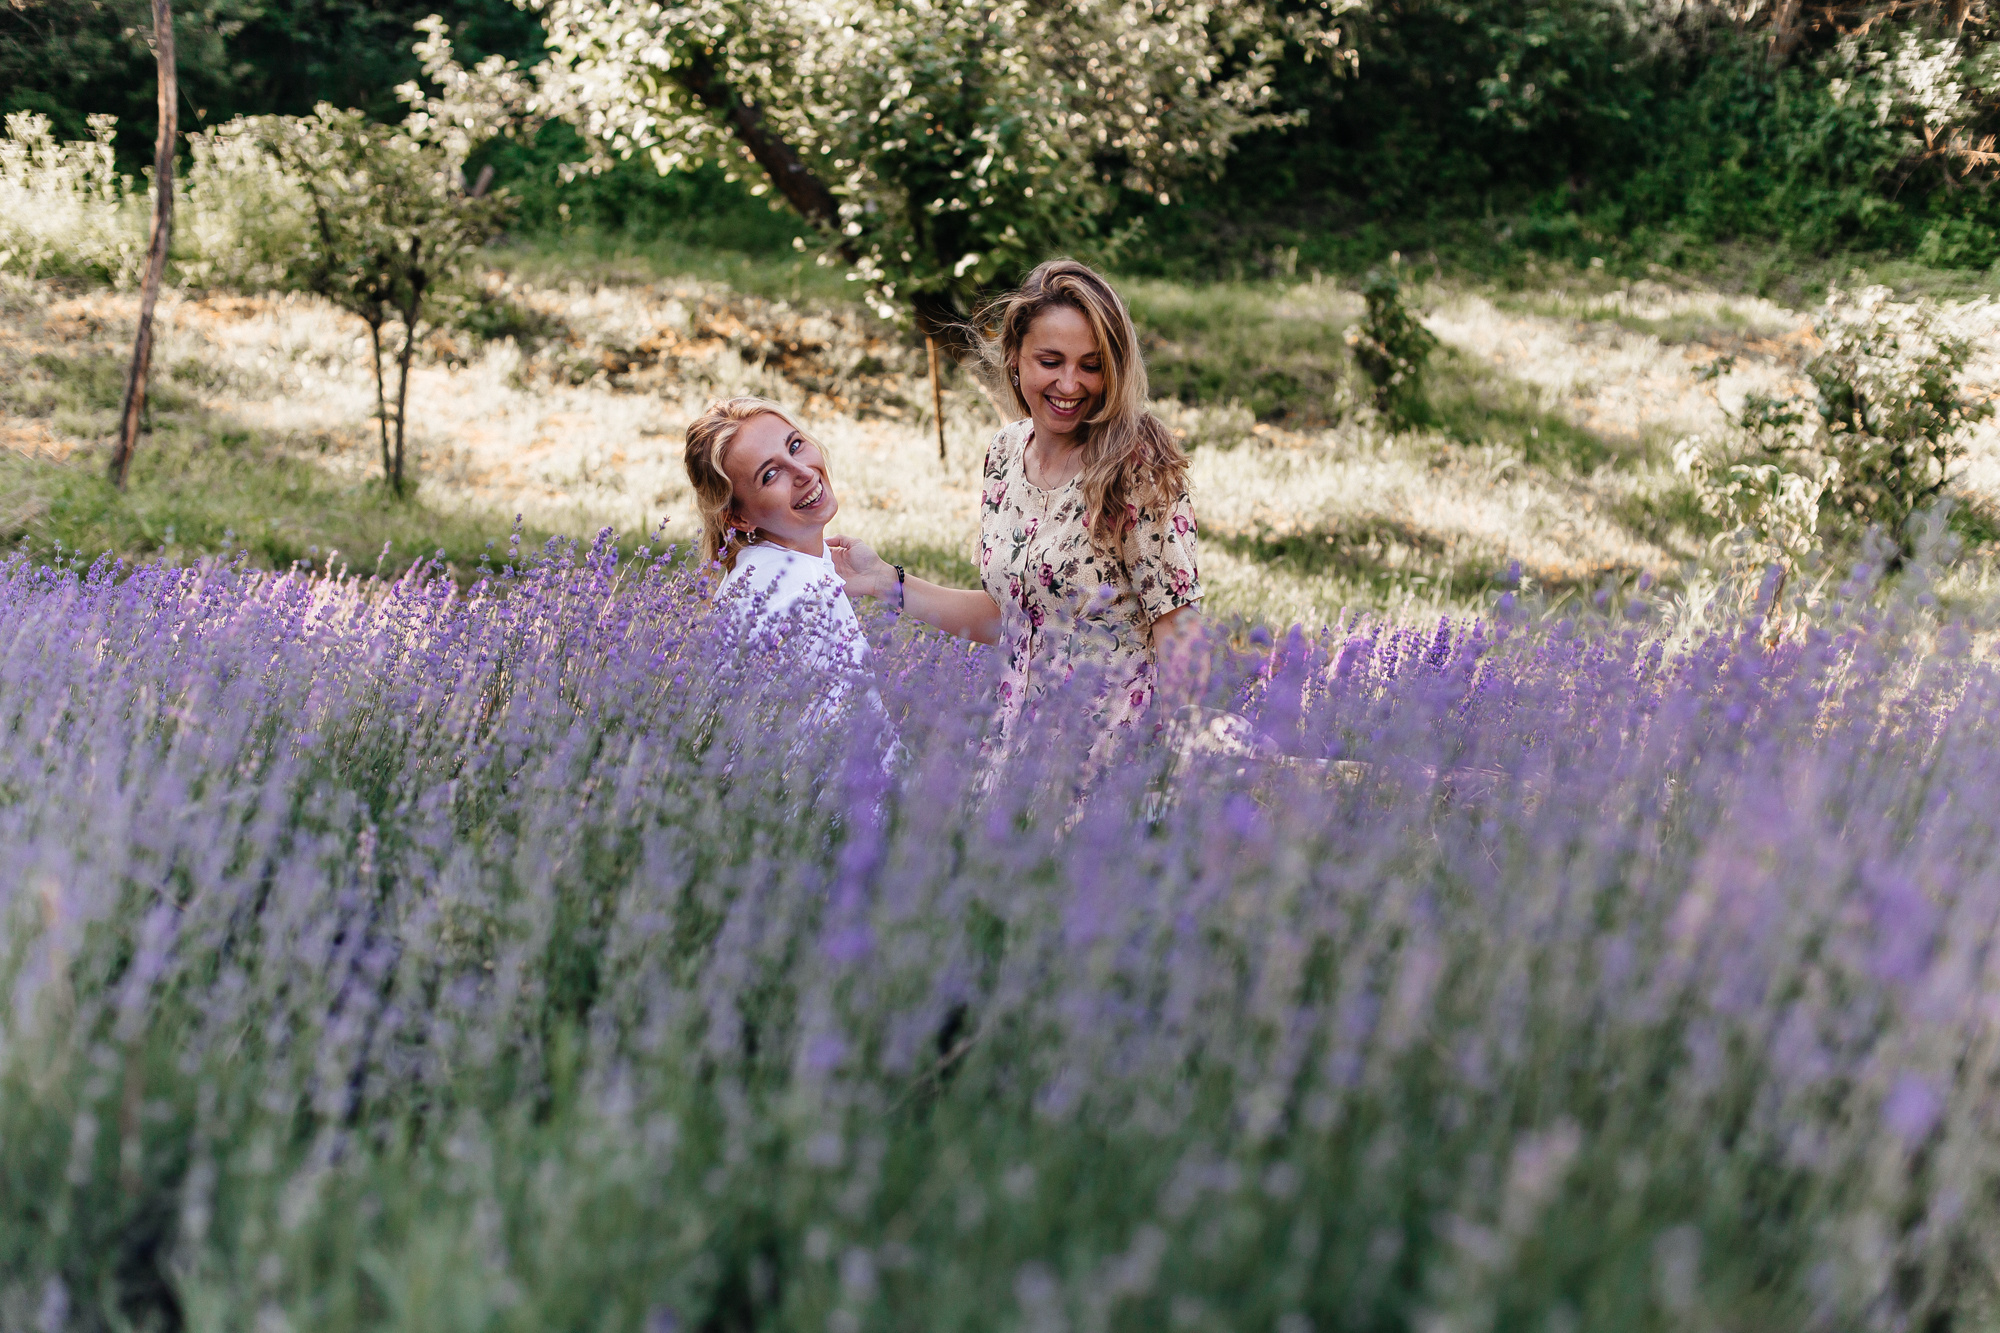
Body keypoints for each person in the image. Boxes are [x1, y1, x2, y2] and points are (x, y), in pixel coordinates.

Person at [830, 258, 1204, 741]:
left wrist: (1178, 768)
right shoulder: (1005, 453)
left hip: (1110, 765)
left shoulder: (1135, 466)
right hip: (1012, 758)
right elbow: (1009, 615)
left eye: (1091, 366)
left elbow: (1178, 627)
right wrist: (887, 582)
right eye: (1050, 362)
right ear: (1014, 356)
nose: (1070, 385)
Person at [684, 395, 868, 676]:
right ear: (738, 518)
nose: (803, 472)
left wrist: (886, 581)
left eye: (795, 446)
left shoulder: (752, 571)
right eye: (769, 475)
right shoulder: (806, 588)